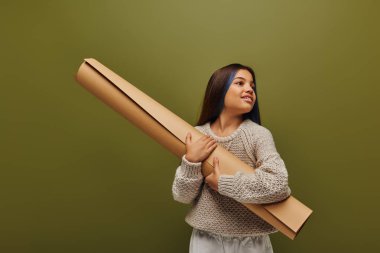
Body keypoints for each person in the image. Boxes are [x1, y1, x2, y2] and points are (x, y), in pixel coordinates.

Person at [171, 63, 292, 253]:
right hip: (205, 240)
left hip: (251, 242)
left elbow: (278, 183)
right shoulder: (196, 135)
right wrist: (191, 162)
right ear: (219, 89)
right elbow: (182, 196)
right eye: (240, 83)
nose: (249, 90)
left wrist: (225, 184)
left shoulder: (258, 135)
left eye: (252, 86)